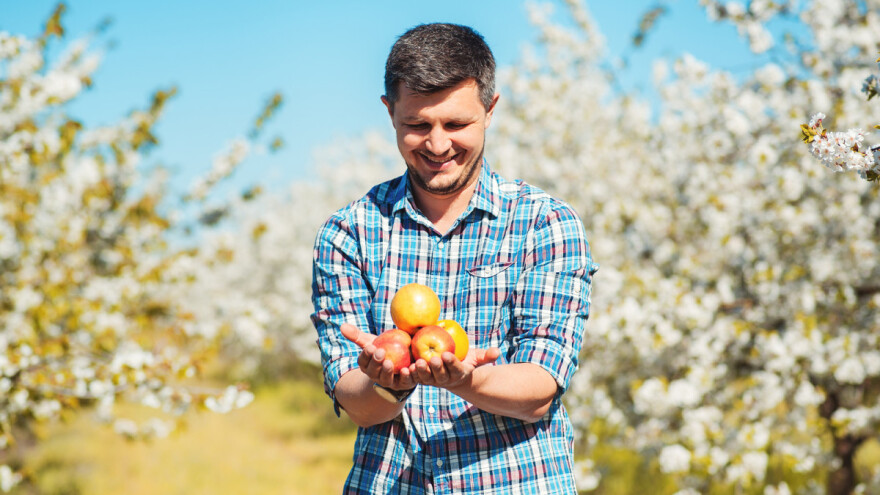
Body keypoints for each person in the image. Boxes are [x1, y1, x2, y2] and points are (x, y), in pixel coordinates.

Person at [311, 22, 598, 494]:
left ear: (490, 110)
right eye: (417, 125)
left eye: (457, 124)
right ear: (390, 113)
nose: (438, 145)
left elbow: (541, 389)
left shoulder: (545, 224)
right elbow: (356, 403)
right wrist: (391, 384)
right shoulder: (349, 232)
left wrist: (464, 382)